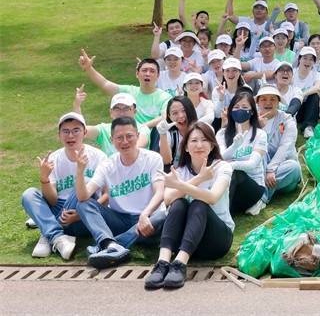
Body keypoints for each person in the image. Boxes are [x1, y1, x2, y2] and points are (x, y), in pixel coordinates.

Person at [144, 122, 234, 290]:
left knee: (199, 203)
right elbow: (168, 199)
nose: (199, 145)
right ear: (185, 147)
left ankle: (179, 264)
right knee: (179, 203)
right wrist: (198, 179)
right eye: (193, 141)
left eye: (204, 140)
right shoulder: (181, 171)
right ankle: (163, 262)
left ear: (212, 144)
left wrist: (182, 186)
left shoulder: (222, 167)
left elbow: (213, 197)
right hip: (188, 240)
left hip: (217, 240)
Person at [75, 116, 167, 269]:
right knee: (84, 205)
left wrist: (144, 215)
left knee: (164, 214)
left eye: (129, 136)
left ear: (137, 136)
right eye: (119, 137)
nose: (125, 141)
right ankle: (109, 243)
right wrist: (79, 171)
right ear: (112, 140)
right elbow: (83, 196)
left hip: (149, 221)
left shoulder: (153, 158)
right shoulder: (108, 164)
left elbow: (160, 192)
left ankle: (112, 245)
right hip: (120, 220)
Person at [22, 112, 105, 260]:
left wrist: (82, 214)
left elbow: (107, 195)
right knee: (29, 194)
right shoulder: (54, 158)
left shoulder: (98, 156)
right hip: (59, 208)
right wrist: (44, 178)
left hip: (83, 213)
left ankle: (48, 233)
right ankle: (58, 238)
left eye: (76, 130)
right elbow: (53, 201)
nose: (70, 136)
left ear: (85, 132)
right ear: (59, 135)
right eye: (65, 131)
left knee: (84, 182)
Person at [78, 50, 171, 128]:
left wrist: (141, 128)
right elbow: (105, 84)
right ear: (137, 74)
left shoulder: (165, 97)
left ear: (158, 75)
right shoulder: (128, 91)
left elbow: (165, 117)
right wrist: (89, 68)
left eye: (152, 71)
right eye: (144, 70)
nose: (147, 74)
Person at [215, 90, 268, 215]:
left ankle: (223, 216)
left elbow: (252, 164)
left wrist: (231, 165)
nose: (240, 110)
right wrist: (234, 146)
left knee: (235, 173)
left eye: (245, 107)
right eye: (236, 107)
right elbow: (220, 158)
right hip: (228, 184)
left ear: (252, 112)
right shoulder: (222, 134)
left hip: (253, 186)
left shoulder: (260, 134)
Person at [250, 86, 302, 212]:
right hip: (258, 168)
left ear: (278, 102)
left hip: (281, 170)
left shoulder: (287, 120)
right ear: (257, 103)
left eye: (273, 99)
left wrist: (271, 170)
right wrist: (257, 127)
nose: (268, 103)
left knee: (293, 167)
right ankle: (261, 192)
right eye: (264, 99)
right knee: (260, 150)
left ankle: (261, 198)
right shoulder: (251, 119)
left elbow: (286, 147)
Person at [72, 90, 151, 153]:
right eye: (117, 109)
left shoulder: (142, 129)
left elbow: (139, 146)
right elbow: (80, 131)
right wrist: (77, 106)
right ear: (111, 112)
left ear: (134, 111)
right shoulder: (103, 129)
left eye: (126, 108)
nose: (122, 112)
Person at [155, 96, 199, 170]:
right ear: (169, 116)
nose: (181, 116)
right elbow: (166, 161)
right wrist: (163, 134)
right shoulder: (169, 134)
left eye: (184, 110)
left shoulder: (202, 130)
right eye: (175, 113)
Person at [292, 47, 320, 137]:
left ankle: (308, 127)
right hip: (294, 107)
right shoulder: (292, 73)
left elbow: (317, 87)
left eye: (311, 59)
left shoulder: (317, 74)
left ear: (314, 62)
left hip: (309, 108)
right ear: (299, 59)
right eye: (305, 58)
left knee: (315, 95)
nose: (307, 62)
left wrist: (302, 94)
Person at [212, 57, 247, 122]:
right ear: (223, 72)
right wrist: (221, 98)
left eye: (234, 70)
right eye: (227, 70)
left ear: (240, 72)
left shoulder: (246, 90)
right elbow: (217, 115)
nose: (231, 73)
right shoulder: (217, 90)